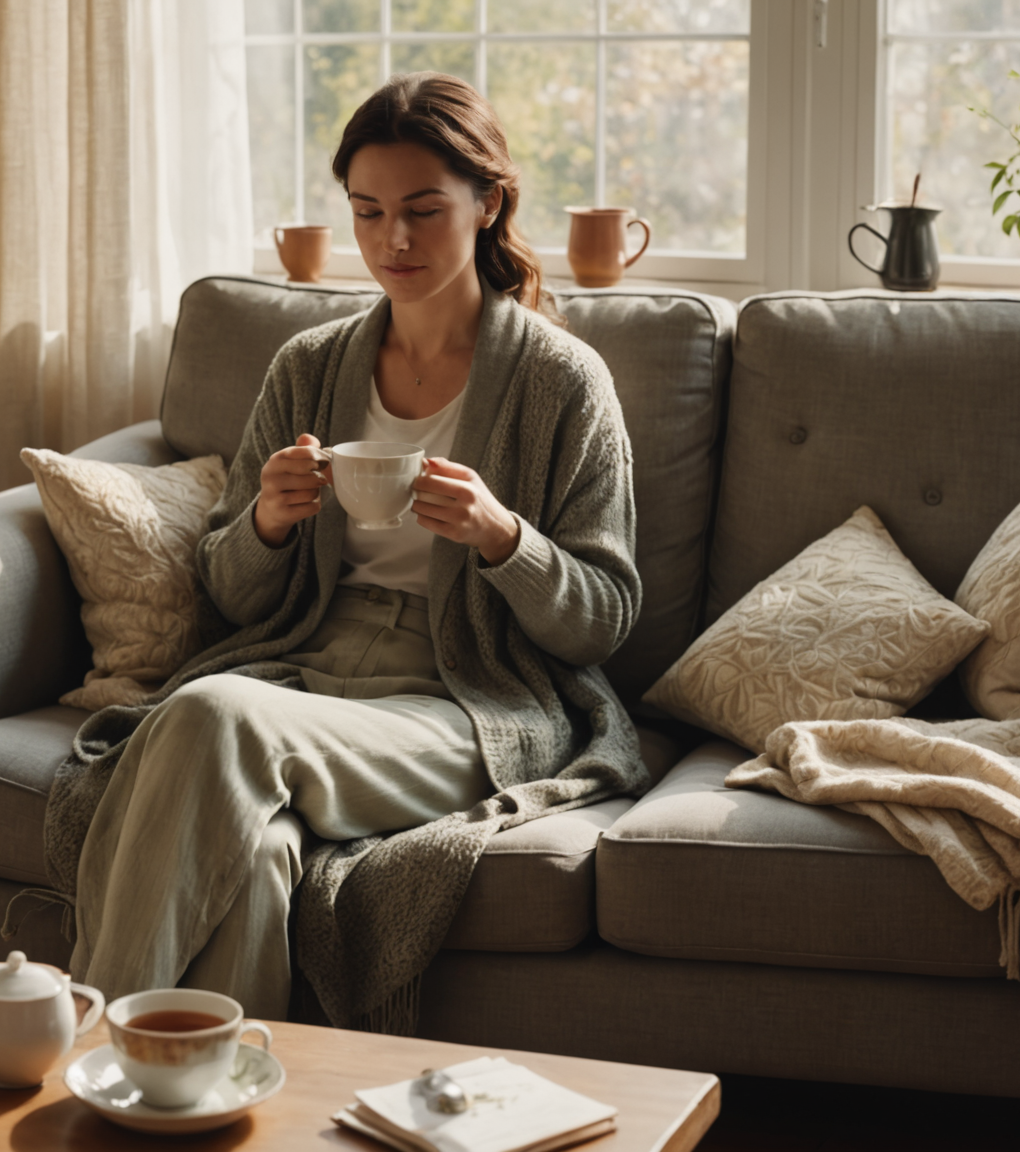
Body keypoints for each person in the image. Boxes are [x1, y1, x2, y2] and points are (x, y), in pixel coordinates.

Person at [62, 72, 643, 1023]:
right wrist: (265, 524)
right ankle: (220, 1106)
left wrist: (504, 538)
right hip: (306, 670)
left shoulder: (563, 382)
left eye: (422, 209)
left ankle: (86, 1047)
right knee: (254, 856)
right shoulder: (310, 366)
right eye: (368, 212)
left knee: (211, 719)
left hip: (469, 700)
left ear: (488, 203)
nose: (393, 241)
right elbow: (231, 593)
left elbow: (605, 621)